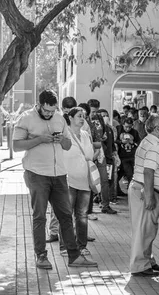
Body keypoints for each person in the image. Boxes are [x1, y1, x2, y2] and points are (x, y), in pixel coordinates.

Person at [12, 90, 97, 269]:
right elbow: (16, 145)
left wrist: (60, 140)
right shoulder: (26, 118)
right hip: (36, 174)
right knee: (40, 216)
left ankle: (74, 256)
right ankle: (41, 256)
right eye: (46, 111)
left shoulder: (59, 118)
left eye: (52, 111)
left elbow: (67, 145)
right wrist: (40, 139)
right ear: (39, 104)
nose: (49, 114)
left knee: (65, 215)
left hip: (58, 175)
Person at [129, 114, 159, 277]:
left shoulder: (151, 142)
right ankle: (140, 265)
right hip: (146, 190)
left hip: (145, 189)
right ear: (156, 128)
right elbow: (148, 172)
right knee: (144, 229)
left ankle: (147, 260)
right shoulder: (154, 145)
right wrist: (149, 196)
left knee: (147, 228)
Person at [59, 107, 95, 257]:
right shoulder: (64, 134)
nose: (82, 119)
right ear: (71, 118)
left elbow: (90, 154)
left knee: (82, 215)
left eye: (84, 116)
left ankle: (81, 246)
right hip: (69, 180)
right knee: (67, 214)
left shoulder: (86, 135)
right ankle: (65, 246)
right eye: (79, 116)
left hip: (85, 180)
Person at [89, 101, 117, 215]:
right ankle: (88, 208)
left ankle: (105, 205)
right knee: (90, 182)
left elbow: (105, 137)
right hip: (90, 154)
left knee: (104, 180)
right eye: (93, 111)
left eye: (96, 111)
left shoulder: (100, 121)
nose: (95, 114)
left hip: (101, 154)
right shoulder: (85, 122)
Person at [116, 117, 140, 194]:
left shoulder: (135, 132)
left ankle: (127, 191)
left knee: (125, 174)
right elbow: (114, 140)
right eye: (126, 126)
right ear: (123, 125)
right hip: (122, 157)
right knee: (129, 174)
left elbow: (139, 142)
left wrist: (133, 143)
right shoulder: (118, 130)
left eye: (130, 127)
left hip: (132, 156)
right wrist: (121, 142)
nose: (128, 129)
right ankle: (130, 192)